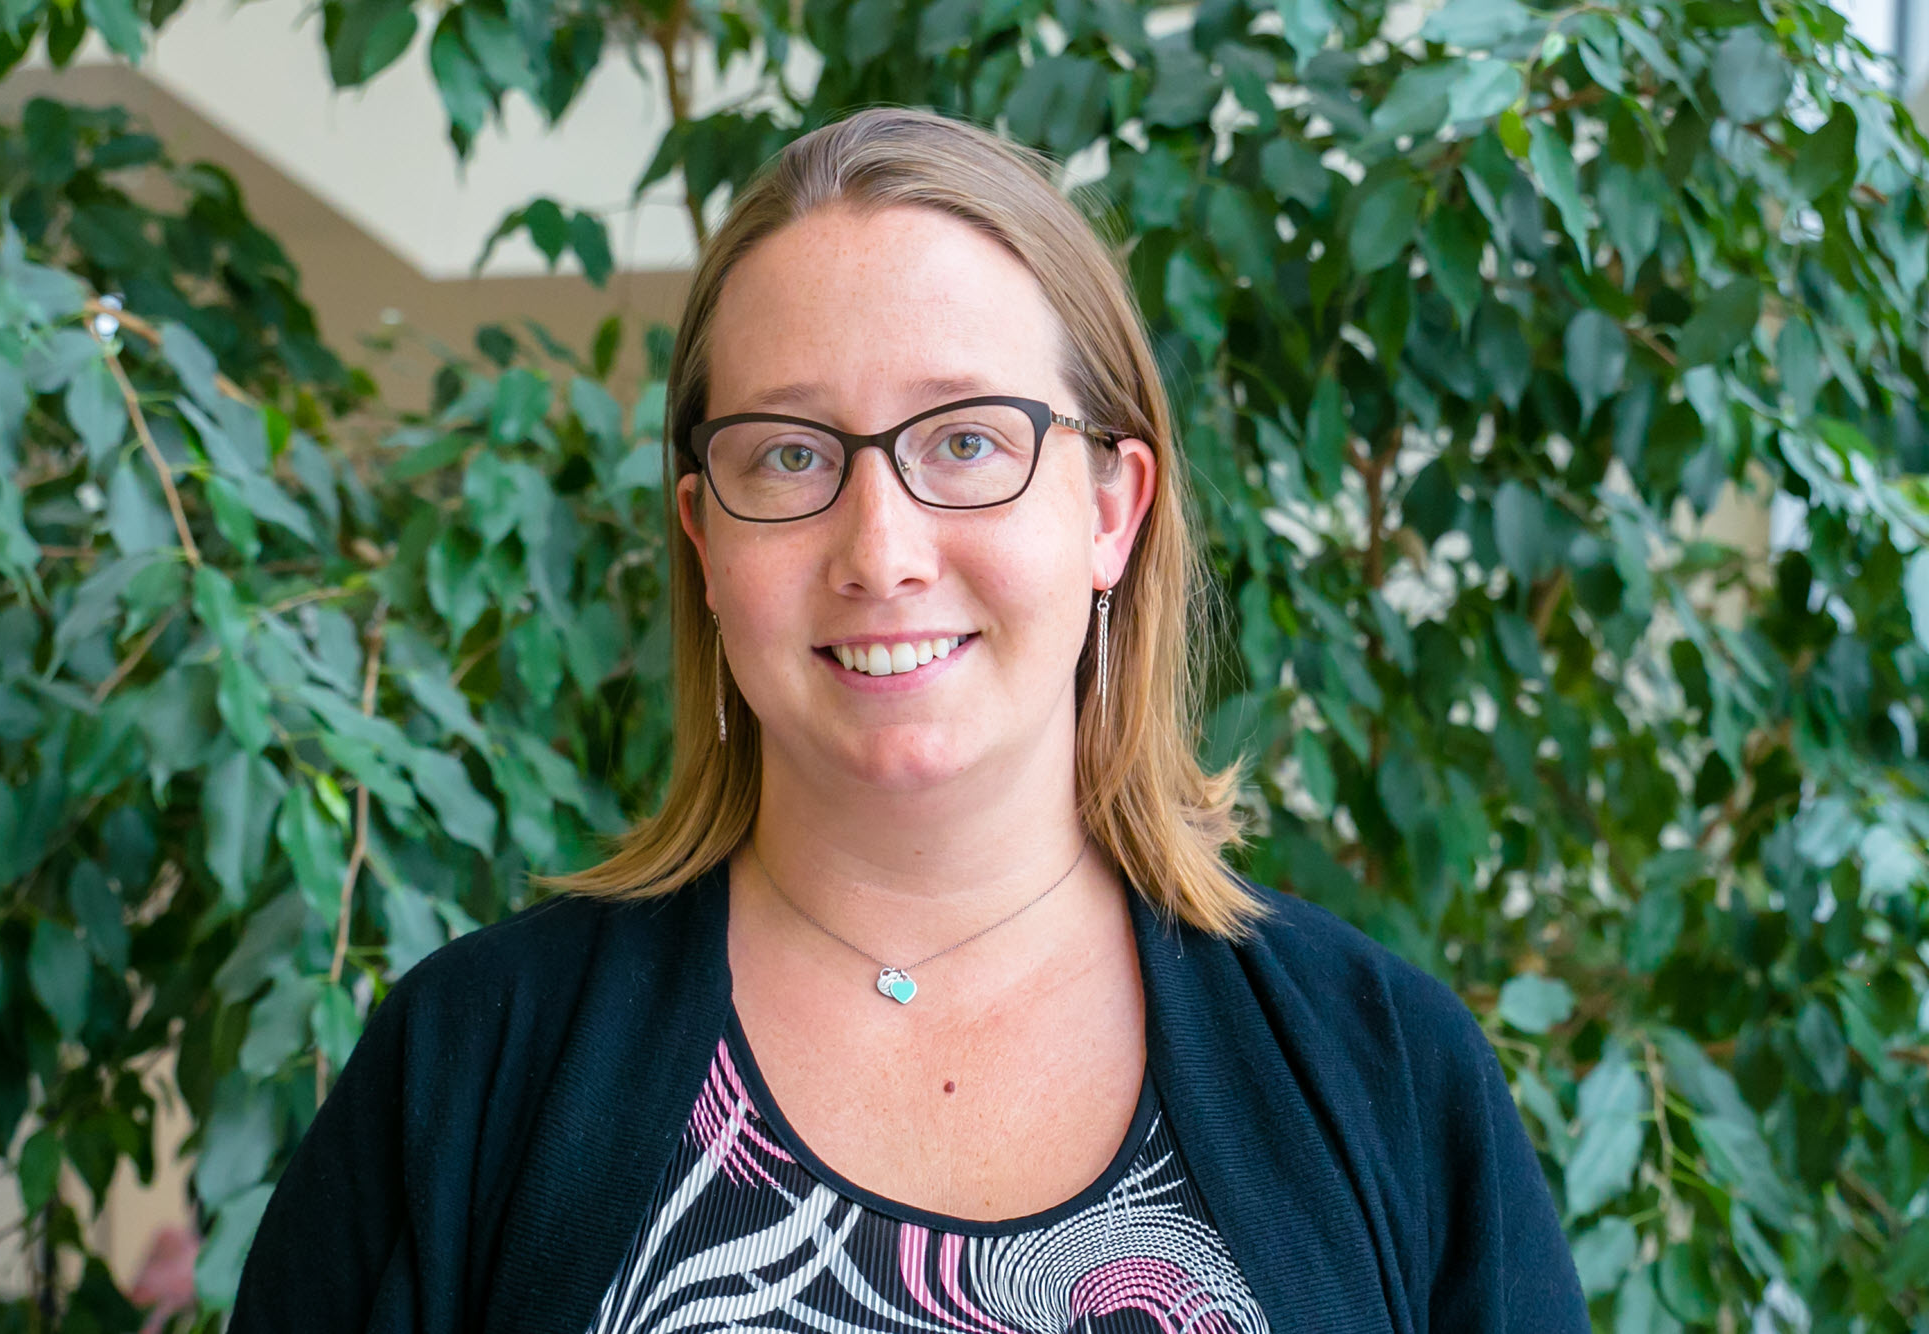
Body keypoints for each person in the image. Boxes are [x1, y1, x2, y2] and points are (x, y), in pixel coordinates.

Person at [228, 106, 1590, 1334]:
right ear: (704, 537)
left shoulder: (1388, 1071)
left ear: (1111, 509)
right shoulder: (468, 1061)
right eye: (790, 454)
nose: (880, 548)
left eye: (967, 440)